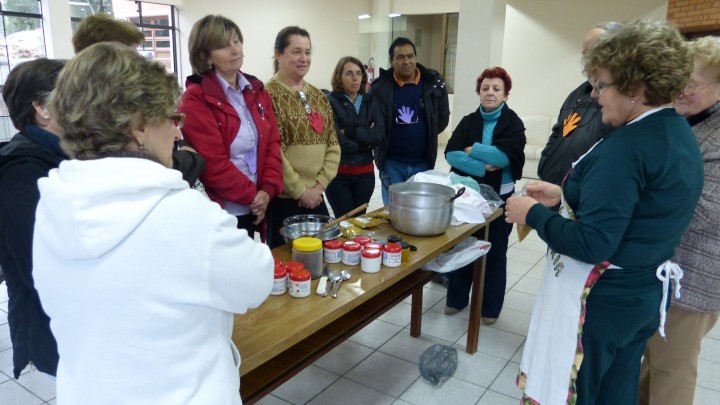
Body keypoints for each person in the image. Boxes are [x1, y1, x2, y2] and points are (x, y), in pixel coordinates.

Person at [32, 42, 274, 404]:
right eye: (172, 119)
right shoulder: (184, 215)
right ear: (140, 126)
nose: (178, 134)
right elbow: (256, 281)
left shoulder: (55, 204)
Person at [504, 20, 703, 405]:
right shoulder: (676, 132)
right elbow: (640, 208)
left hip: (604, 302)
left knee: (585, 392)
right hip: (643, 294)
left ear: (636, 88)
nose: (595, 97)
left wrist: (532, 214)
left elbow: (594, 242)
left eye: (603, 85)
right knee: (618, 388)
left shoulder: (626, 148)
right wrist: (563, 196)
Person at [638, 36, 720, 405]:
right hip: (665, 267)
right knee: (652, 361)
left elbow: (702, 208)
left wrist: (629, 202)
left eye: (692, 83)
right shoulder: (685, 121)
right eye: (679, 79)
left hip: (695, 274)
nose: (681, 90)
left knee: (672, 369)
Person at [73, 13, 206, 189]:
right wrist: (190, 159)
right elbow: (153, 165)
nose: (139, 63)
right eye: (131, 56)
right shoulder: (94, 108)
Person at [179, 15, 283, 239]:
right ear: (206, 55)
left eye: (236, 41)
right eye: (224, 45)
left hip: (259, 202)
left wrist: (267, 190)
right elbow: (212, 164)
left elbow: (273, 143)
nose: (235, 49)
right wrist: (254, 197)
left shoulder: (255, 89)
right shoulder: (196, 97)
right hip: (224, 210)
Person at [442, 67, 525, 324]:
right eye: (486, 88)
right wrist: (482, 166)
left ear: (505, 94)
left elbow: (505, 157)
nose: (490, 93)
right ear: (479, 92)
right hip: (470, 197)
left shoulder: (513, 123)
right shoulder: (469, 120)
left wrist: (473, 149)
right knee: (463, 246)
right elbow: (451, 154)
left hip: (501, 200)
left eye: (496, 89)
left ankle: (490, 308)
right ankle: (456, 299)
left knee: (496, 252)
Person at [0, 58, 65, 380]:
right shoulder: (22, 170)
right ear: (42, 107)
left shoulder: (68, 154)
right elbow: (37, 267)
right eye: (76, 93)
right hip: (54, 328)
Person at [265, 26, 340, 248]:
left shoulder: (318, 96)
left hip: (316, 195)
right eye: (296, 52)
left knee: (324, 255)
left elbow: (333, 144)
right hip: (284, 199)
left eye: (307, 52)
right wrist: (300, 190)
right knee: (286, 264)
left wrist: (319, 187)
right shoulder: (268, 95)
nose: (304, 58)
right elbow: (273, 151)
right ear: (279, 54)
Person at [537, 22, 619, 185]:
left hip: (588, 196)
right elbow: (557, 133)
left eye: (595, 53)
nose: (588, 61)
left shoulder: (620, 102)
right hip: (554, 191)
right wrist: (545, 165)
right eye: (585, 54)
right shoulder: (576, 95)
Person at [370, 37, 450, 204]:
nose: (406, 61)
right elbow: (371, 122)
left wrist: (422, 134)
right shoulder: (380, 88)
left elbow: (442, 119)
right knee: (393, 213)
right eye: (400, 57)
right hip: (391, 163)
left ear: (415, 57)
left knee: (419, 211)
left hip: (422, 162)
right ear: (392, 61)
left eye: (410, 56)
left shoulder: (433, 83)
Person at [324, 56, 384, 217]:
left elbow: (379, 135)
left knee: (359, 220)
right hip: (338, 176)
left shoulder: (371, 101)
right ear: (339, 77)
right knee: (344, 222)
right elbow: (336, 140)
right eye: (349, 73)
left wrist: (350, 131)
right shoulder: (330, 101)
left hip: (365, 175)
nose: (355, 78)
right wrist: (365, 143)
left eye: (358, 73)